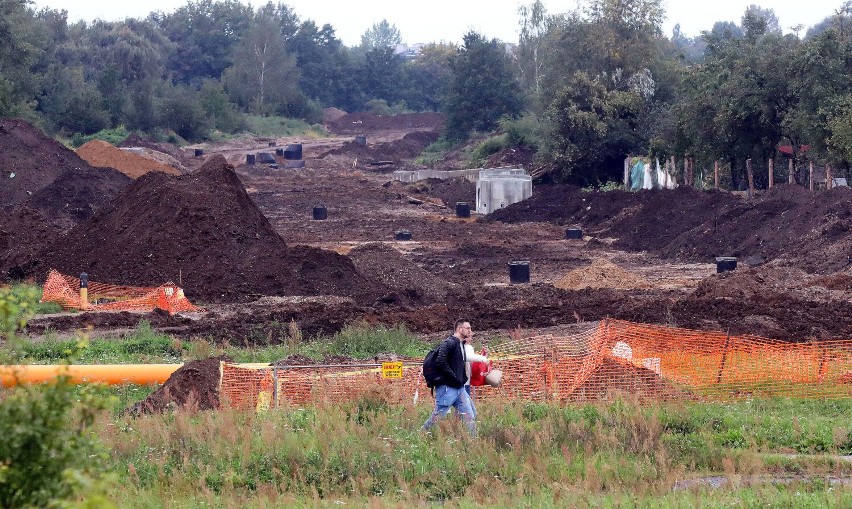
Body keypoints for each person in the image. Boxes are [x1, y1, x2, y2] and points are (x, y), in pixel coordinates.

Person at [421, 319, 477, 435]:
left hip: (459, 388)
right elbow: (440, 361)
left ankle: (473, 443)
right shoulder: (449, 343)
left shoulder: (461, 344)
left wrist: (460, 380)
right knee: (438, 417)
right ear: (459, 329)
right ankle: (421, 434)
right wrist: (454, 377)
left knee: (470, 415)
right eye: (468, 328)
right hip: (447, 388)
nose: (470, 331)